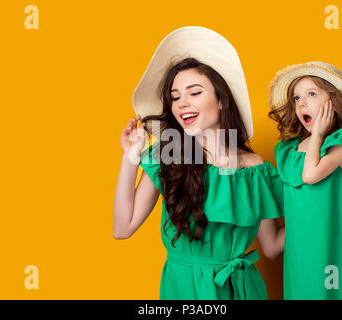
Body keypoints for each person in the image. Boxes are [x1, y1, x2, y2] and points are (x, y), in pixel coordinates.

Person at [113, 26, 285, 299]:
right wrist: (130, 157)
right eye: (176, 97)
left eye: (194, 93)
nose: (182, 104)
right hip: (184, 291)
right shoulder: (166, 156)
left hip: (242, 290)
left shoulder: (254, 168)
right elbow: (122, 228)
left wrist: (328, 204)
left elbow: (273, 246)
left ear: (221, 100)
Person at [268, 61, 342, 299]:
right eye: (296, 98)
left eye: (312, 94)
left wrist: (316, 134)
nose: (302, 103)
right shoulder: (288, 150)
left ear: (333, 102)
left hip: (333, 248)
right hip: (301, 252)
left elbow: (311, 175)